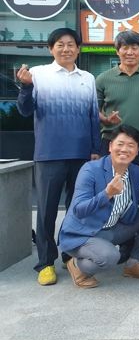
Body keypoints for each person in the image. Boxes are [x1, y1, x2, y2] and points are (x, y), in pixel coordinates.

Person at [16, 27, 101, 286]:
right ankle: (45, 263)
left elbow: (93, 117)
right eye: (60, 44)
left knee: (76, 210)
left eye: (71, 44)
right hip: (49, 154)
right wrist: (25, 87)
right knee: (46, 211)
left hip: (81, 155)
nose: (66, 49)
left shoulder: (88, 78)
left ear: (78, 48)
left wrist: (96, 149)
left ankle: (69, 254)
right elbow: (24, 110)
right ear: (51, 49)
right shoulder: (38, 74)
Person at [59, 125, 139, 288]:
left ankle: (133, 264)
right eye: (120, 144)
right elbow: (78, 209)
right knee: (110, 257)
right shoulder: (90, 169)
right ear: (110, 146)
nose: (124, 149)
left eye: (131, 145)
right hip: (83, 234)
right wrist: (107, 194)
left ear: (137, 151)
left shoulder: (136, 172)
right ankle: (76, 265)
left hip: (112, 229)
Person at [95, 30, 139, 168]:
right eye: (125, 48)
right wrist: (106, 120)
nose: (130, 52)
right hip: (112, 142)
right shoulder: (103, 79)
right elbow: (94, 111)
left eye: (134, 48)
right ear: (117, 51)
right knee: (111, 179)